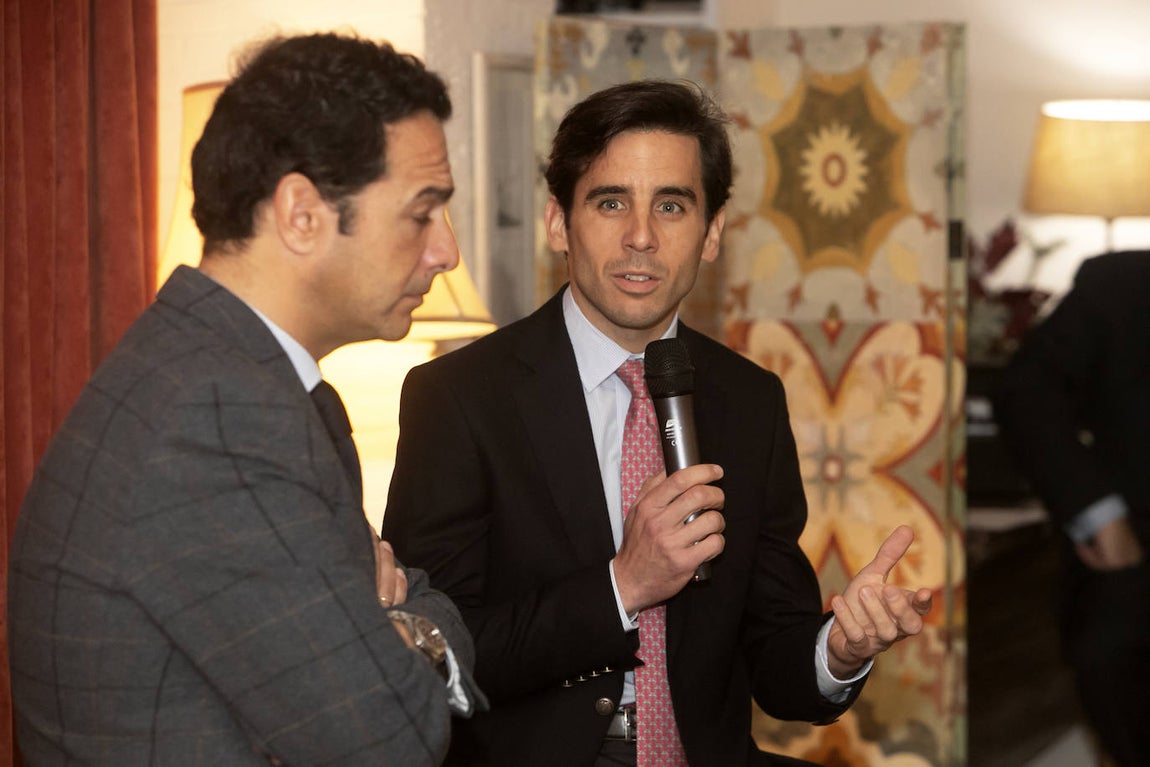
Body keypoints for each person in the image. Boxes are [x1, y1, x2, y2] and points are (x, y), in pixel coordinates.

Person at [383, 80, 933, 767]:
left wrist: (839, 650)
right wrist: (624, 584)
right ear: (558, 222)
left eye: (671, 206)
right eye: (610, 202)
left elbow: (775, 657)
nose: (640, 237)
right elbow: (433, 652)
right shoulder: (460, 396)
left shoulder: (750, 399)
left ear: (712, 233)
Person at [8, 32, 484, 766]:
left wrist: (392, 628)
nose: (445, 252)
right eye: (422, 212)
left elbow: (408, 594)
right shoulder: (220, 421)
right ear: (301, 213)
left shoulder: (224, 378)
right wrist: (411, 631)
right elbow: (389, 738)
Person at [994, 250, 1149, 767]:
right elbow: (1025, 391)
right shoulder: (1120, 286)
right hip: (1134, 560)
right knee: (1109, 654)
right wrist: (1099, 514)